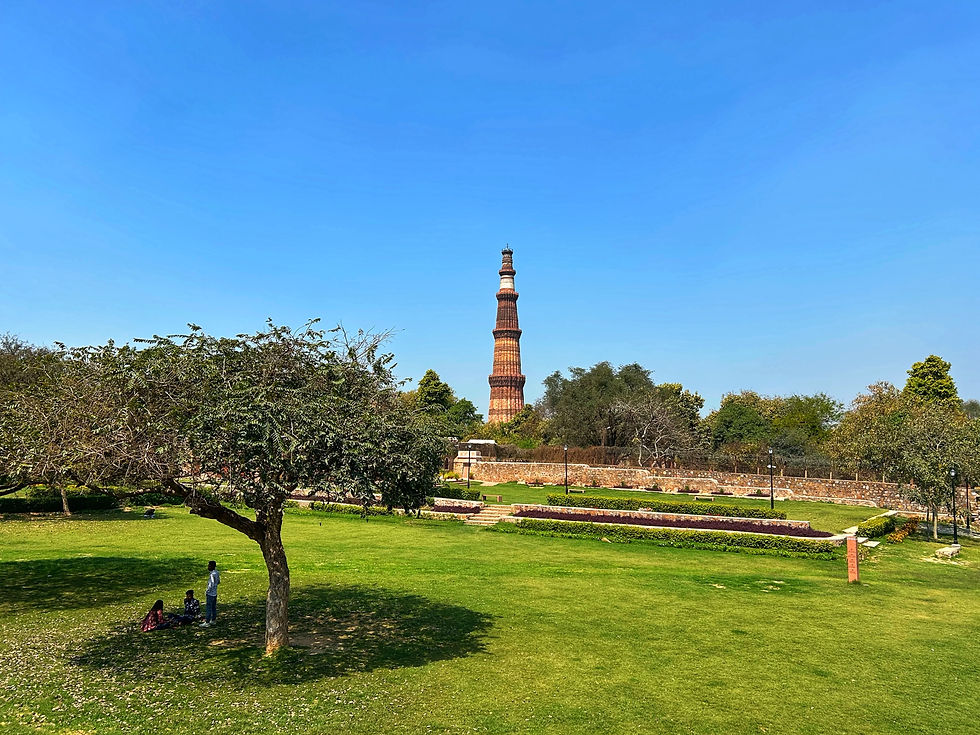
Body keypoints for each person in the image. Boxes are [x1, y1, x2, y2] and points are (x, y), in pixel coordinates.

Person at [200, 560, 219, 627]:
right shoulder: (217, 573)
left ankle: (207, 621)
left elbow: (211, 584)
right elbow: (218, 581)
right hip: (215, 593)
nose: (208, 567)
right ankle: (213, 620)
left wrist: (207, 590)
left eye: (209, 566)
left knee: (208, 607)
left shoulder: (212, 575)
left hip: (210, 594)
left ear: (212, 566)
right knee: (213, 607)